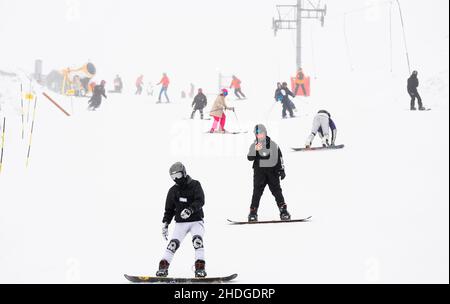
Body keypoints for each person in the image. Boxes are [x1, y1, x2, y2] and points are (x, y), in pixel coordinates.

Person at [156, 162, 207, 278]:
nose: (176, 179)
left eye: (178, 176)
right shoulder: (172, 191)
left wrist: (190, 210)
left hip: (196, 221)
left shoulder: (195, 185)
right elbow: (169, 209)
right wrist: (165, 223)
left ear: (184, 173)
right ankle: (163, 268)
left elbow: (200, 201)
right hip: (180, 223)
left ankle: (200, 268)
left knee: (197, 241)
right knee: (172, 245)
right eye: (173, 177)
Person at [247, 124, 291, 222]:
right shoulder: (254, 145)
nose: (259, 135)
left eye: (261, 133)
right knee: (257, 192)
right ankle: (253, 212)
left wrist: (281, 170)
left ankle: (283, 211)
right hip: (259, 173)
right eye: (257, 134)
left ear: (265, 133)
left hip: (272, 173)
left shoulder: (273, 144)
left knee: (277, 191)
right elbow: (249, 158)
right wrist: (255, 150)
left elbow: (279, 158)